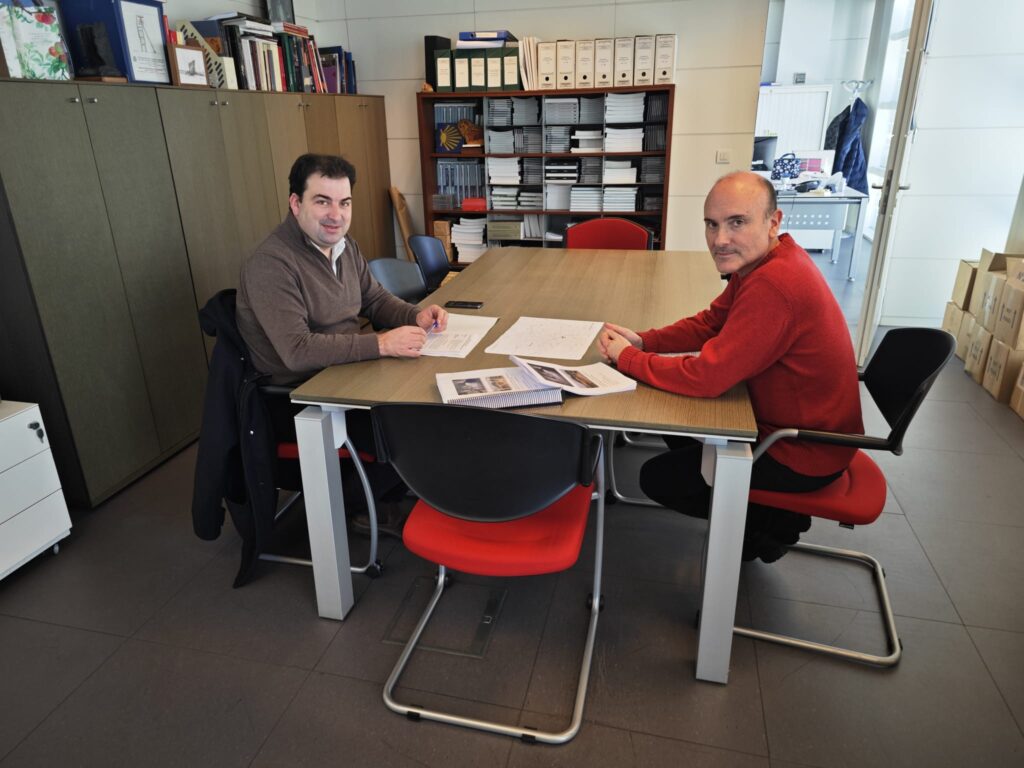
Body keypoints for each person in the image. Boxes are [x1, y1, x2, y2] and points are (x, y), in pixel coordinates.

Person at [597, 171, 863, 562]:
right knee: (676, 421)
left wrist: (628, 358)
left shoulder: (774, 285)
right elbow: (712, 323)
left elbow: (707, 377)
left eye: (737, 222)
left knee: (659, 478)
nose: (720, 239)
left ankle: (770, 526)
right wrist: (644, 341)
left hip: (801, 450)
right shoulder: (766, 261)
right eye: (712, 224)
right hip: (803, 429)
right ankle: (768, 514)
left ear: (773, 222)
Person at [236, 153, 448, 532]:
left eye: (344, 203)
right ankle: (355, 505)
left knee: (433, 407)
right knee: (415, 426)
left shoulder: (344, 247)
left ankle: (388, 490)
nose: (336, 215)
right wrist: (381, 344)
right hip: (297, 398)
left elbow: (375, 300)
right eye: (323, 201)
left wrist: (414, 315)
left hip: (349, 377)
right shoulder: (271, 264)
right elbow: (297, 350)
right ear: (296, 203)